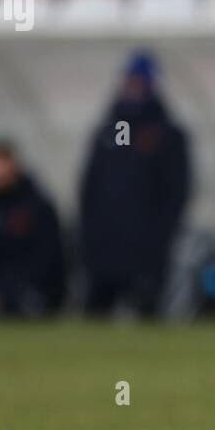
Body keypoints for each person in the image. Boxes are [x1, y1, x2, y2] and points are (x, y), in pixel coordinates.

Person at [79, 51, 191, 317]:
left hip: (146, 249)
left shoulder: (166, 135)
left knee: (147, 311)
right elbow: (89, 187)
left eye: (138, 80)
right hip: (104, 247)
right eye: (129, 79)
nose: (132, 86)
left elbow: (176, 191)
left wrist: (161, 236)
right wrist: (88, 234)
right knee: (95, 314)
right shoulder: (108, 131)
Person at [0, 139, 67, 322]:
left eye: (0, 163)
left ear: (13, 164)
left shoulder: (36, 205)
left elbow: (46, 258)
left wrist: (3, 292)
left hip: (32, 292)